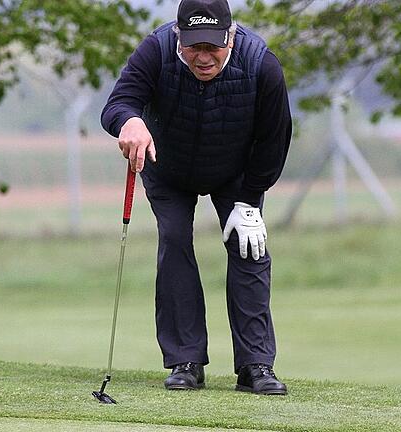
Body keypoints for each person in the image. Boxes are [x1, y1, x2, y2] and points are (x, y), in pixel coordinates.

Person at [101, 0, 292, 395]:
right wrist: (130, 121)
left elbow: (274, 139)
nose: (203, 57)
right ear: (178, 38)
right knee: (173, 239)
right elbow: (117, 104)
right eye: (193, 47)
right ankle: (185, 361)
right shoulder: (155, 50)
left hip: (237, 174)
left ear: (230, 36)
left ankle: (256, 365)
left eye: (213, 47)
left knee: (249, 246)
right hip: (168, 168)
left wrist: (250, 199)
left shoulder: (262, 64)